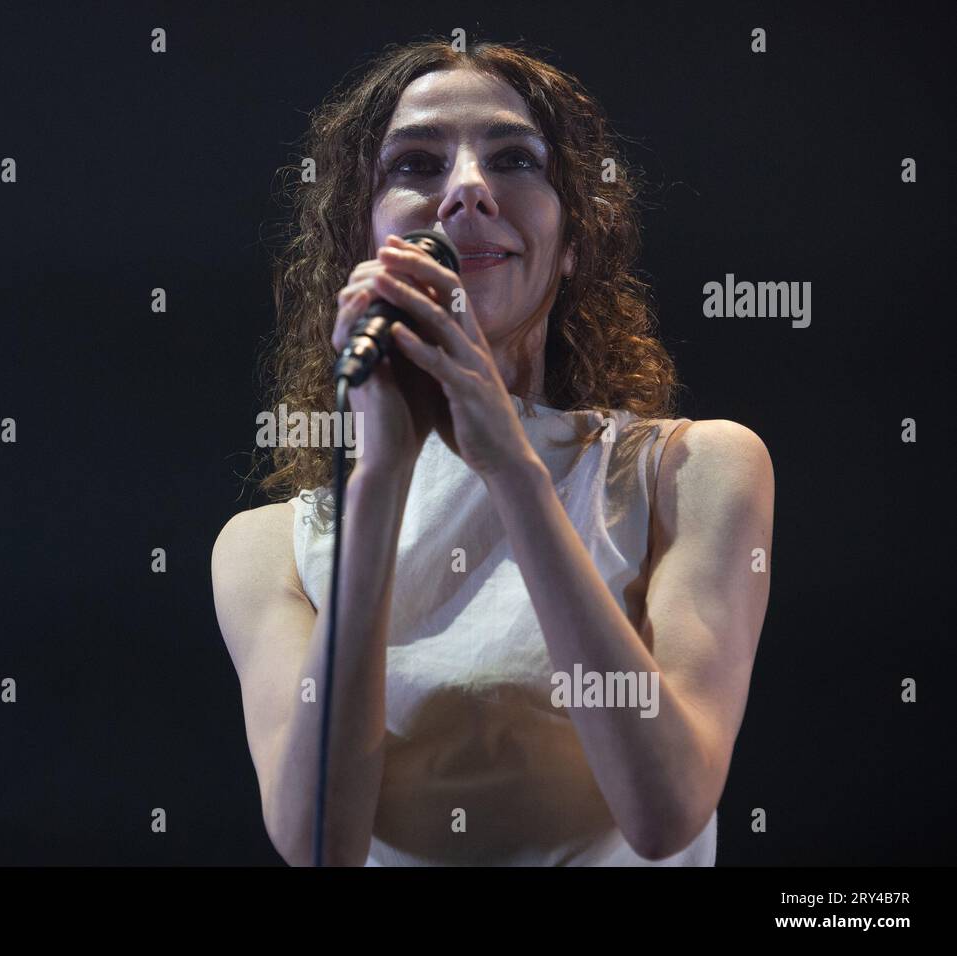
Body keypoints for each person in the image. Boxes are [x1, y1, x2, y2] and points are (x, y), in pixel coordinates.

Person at [211, 37, 774, 866]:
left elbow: (667, 810)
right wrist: (379, 481)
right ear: (363, 245)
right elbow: (318, 846)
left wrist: (510, 463)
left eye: (514, 159)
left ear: (573, 239)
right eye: (415, 165)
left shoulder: (694, 471)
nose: (467, 189)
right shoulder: (268, 549)